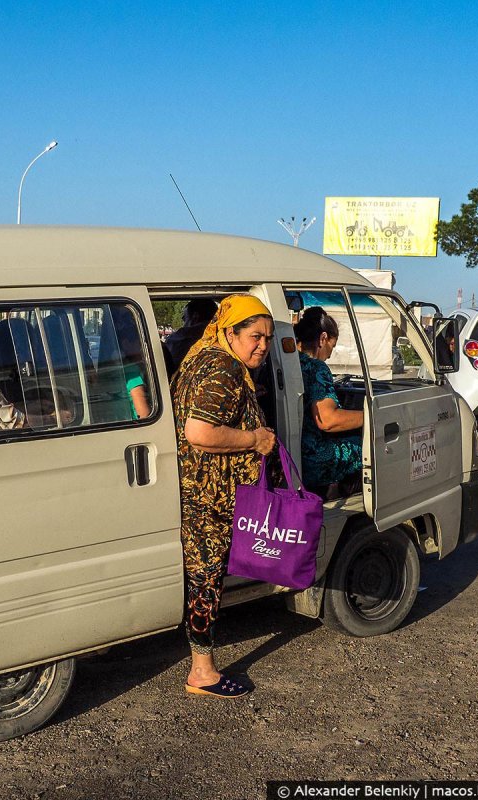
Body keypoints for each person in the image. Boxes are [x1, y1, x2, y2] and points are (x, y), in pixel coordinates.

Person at [170, 294, 276, 698]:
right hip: (208, 496)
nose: (263, 345)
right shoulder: (225, 368)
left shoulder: (202, 355)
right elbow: (199, 431)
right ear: (230, 333)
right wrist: (255, 439)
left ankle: (202, 665)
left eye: (268, 337)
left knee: (203, 579)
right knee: (206, 581)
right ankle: (203, 672)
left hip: (196, 488)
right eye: (254, 336)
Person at [295, 307, 364, 499]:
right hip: (312, 459)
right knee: (365, 446)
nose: (330, 355)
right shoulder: (316, 368)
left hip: (293, 451)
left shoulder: (289, 362)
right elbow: (327, 420)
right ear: (323, 338)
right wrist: (370, 416)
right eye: (331, 347)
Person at [112, 305, 152, 419]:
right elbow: (143, 413)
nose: (141, 347)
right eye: (138, 343)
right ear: (126, 344)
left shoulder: (115, 369)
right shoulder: (132, 373)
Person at [162, 298, 218, 377]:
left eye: (184, 318)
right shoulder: (222, 335)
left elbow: (166, 365)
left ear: (195, 316)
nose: (183, 321)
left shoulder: (181, 337)